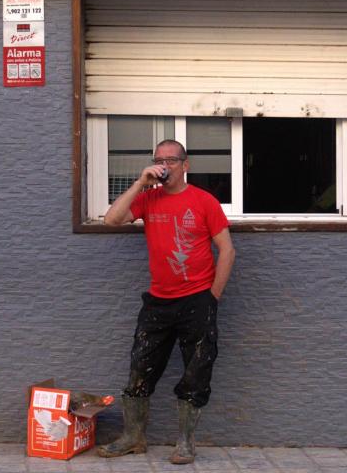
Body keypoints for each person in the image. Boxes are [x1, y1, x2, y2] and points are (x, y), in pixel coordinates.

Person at [97, 139, 235, 465]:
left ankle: (185, 443)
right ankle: (133, 437)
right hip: (158, 302)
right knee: (139, 371)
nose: (165, 166)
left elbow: (227, 250)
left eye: (172, 160)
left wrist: (212, 297)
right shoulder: (149, 199)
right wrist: (140, 183)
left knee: (196, 372)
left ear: (185, 166)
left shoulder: (204, 202)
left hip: (197, 301)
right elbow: (111, 220)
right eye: (160, 160)